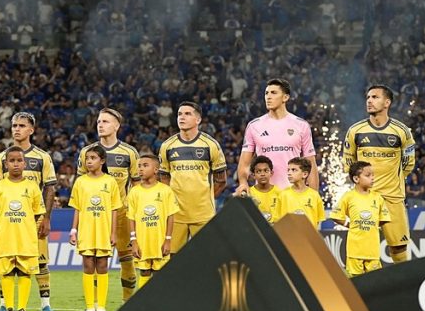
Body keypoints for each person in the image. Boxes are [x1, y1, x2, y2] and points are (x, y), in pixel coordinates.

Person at [0, 112, 59, 311]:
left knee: (41, 261)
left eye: (21, 125)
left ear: (31, 130)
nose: (16, 129)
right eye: (14, 125)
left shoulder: (42, 157)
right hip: (10, 222)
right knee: (7, 263)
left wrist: (45, 218)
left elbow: (50, 188)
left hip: (33, 219)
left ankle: (45, 305)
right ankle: (4, 306)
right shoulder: (2, 158)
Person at [343, 84, 416, 264]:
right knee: (364, 245)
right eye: (368, 97)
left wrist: (395, 180)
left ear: (387, 102)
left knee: (398, 246)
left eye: (375, 97)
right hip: (365, 198)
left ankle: (403, 286)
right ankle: (364, 286)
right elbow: (349, 161)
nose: (369, 100)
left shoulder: (401, 131)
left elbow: (408, 163)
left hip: (392, 197)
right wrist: (362, 185)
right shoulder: (355, 131)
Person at [76, 108, 139, 302]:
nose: (100, 125)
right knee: (93, 260)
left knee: (127, 261)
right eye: (98, 122)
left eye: (105, 121)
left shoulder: (129, 153)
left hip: (122, 214)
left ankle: (127, 302)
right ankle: (94, 305)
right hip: (95, 214)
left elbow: (136, 186)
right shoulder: (87, 152)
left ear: (116, 126)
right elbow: (80, 184)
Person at [157, 102, 226, 253]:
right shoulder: (167, 146)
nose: (182, 117)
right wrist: (171, 201)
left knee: (206, 260)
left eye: (187, 114)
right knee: (172, 260)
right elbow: (163, 178)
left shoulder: (211, 145)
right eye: (180, 114)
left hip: (203, 214)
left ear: (198, 120)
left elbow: (221, 180)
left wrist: (205, 199)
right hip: (176, 214)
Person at [0, 146, 46, 311]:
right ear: (6, 164)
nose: (15, 164)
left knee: (24, 271)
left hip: (25, 237)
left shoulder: (32, 186)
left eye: (19, 160)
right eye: (12, 161)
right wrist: (2, 226)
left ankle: (21, 309)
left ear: (24, 163)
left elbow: (38, 212)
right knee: (6, 272)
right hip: (5, 236)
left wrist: (29, 228)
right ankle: (9, 309)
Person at [235, 79, 318, 194]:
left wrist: (313, 196)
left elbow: (311, 164)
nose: (268, 97)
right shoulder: (254, 126)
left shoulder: (301, 125)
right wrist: (243, 183)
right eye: (266, 93)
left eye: (273, 93)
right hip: (263, 195)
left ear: (285, 97)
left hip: (293, 195)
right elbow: (244, 164)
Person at [69, 145, 120, 311]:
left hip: (104, 229)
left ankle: (102, 307)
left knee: (103, 266)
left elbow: (114, 210)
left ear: (102, 161)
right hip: (86, 229)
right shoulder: (80, 182)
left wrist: (114, 233)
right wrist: (73, 230)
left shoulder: (110, 182)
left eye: (93, 158)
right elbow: (77, 208)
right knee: (88, 265)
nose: (89, 161)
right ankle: (90, 307)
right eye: (87, 158)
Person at [331, 161, 391, 277]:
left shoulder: (377, 198)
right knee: (354, 283)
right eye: (368, 175)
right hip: (354, 251)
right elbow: (336, 216)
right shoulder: (348, 196)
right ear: (356, 179)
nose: (372, 178)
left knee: (375, 282)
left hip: (373, 251)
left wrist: (372, 224)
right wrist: (349, 224)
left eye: (373, 175)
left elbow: (384, 219)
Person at [128, 154, 178, 289]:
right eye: (139, 166)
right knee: (144, 272)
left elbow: (170, 216)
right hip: (142, 241)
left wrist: (168, 240)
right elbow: (131, 218)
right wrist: (134, 241)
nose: (140, 169)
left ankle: (159, 306)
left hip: (160, 241)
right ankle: (143, 307)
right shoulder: (134, 192)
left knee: (159, 273)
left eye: (145, 165)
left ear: (156, 170)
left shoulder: (165, 190)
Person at [273, 157, 324, 229]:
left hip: (308, 238)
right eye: (288, 170)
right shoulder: (283, 195)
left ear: (305, 174)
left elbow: (317, 221)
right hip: (288, 238)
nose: (289, 173)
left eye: (294, 170)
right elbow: (277, 220)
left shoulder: (314, 195)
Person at [246, 156, 280, 223]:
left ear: (271, 173)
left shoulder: (280, 193)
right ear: (253, 175)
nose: (262, 174)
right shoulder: (249, 194)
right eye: (259, 171)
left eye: (266, 171)